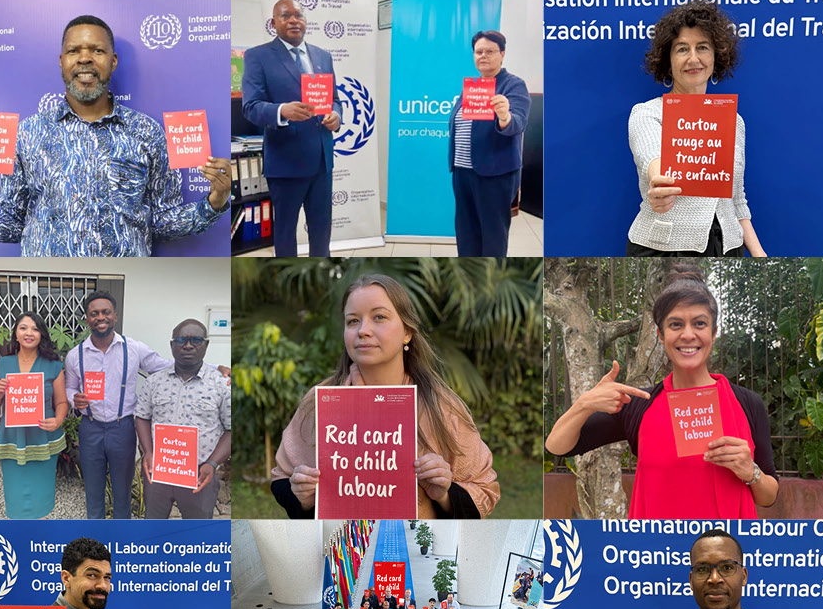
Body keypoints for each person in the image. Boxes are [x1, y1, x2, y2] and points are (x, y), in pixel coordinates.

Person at [0, 15, 236, 255]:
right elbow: (12, 225)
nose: (85, 58)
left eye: (97, 51)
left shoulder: (147, 132)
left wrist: (215, 201)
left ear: (112, 61)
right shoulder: (27, 134)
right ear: (62, 61)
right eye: (74, 51)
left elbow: (163, 223)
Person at [548, 266, 780, 517]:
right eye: (676, 324)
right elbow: (557, 446)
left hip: (723, 548)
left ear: (713, 333)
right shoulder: (639, 404)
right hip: (658, 550)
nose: (688, 335)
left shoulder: (747, 403)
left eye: (699, 324)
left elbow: (768, 497)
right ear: (660, 335)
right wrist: (584, 403)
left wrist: (751, 472)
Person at [269, 273, 502, 518]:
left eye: (379, 317)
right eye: (352, 321)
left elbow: (484, 489)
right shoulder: (320, 401)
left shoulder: (442, 405)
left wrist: (444, 494)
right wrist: (303, 497)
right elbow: (282, 476)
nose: (363, 331)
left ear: (407, 332)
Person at [626, 1, 762, 255]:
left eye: (702, 48)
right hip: (662, 249)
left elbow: (737, 199)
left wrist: (759, 254)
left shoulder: (734, 121)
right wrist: (660, 184)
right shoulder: (646, 113)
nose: (693, 58)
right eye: (681, 49)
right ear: (668, 59)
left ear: (716, 55)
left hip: (728, 248)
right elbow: (652, 161)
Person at [240, 0, 343, 256]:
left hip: (321, 162)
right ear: (274, 22)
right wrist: (281, 111)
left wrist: (336, 116)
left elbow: (335, 100)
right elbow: (250, 106)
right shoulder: (257, 56)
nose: (293, 20)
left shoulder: (323, 56)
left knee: (322, 233)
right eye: (286, 16)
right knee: (286, 235)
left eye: (298, 15)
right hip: (286, 164)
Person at [66, 292, 172, 520]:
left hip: (122, 429)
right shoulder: (75, 355)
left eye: (105, 312)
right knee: (93, 491)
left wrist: (211, 368)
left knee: (122, 491)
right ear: (87, 319)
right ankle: (96, 539)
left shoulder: (133, 349)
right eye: (94, 314)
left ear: (115, 316)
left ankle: (120, 537)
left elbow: (165, 366)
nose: (100, 317)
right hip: (90, 428)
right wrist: (74, 398)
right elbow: (69, 387)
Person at [135, 318, 232, 519]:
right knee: (154, 527)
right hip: (159, 471)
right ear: (172, 345)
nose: (188, 345)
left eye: (196, 340)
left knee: (196, 533)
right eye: (181, 340)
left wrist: (212, 464)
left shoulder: (222, 386)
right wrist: (148, 452)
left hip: (200, 474)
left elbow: (232, 429)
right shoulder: (154, 382)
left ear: (206, 345)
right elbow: (142, 417)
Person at [451, 30, 530, 257]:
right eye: (478, 52)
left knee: (493, 237)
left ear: (502, 54)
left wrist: (504, 116)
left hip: (495, 175)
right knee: (466, 234)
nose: (483, 56)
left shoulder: (513, 85)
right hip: (463, 172)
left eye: (490, 51)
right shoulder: (473, 87)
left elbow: (518, 123)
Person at [0, 310, 70, 520]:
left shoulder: (53, 365)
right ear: (16, 333)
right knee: (15, 494)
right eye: (23, 328)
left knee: (42, 493)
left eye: (35, 328)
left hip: (43, 437)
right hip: (13, 439)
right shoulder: (2, 364)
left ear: (42, 334)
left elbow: (61, 401)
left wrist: (59, 419)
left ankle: (41, 529)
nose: (28, 333)